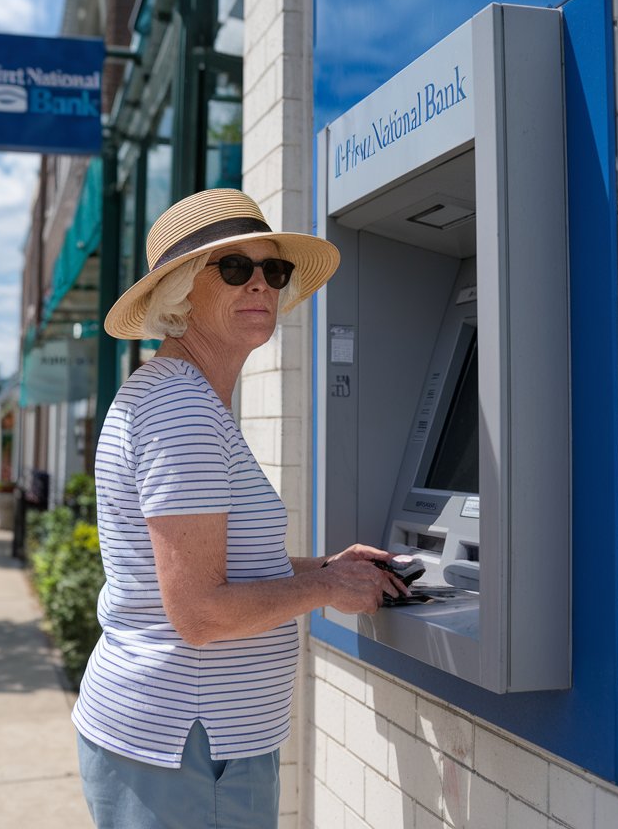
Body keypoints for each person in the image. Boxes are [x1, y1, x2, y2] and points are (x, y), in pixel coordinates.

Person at [73, 188, 409, 828]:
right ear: (178, 293)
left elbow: (216, 564)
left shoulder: (181, 396)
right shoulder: (182, 412)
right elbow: (200, 612)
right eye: (233, 268)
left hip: (184, 741)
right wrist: (325, 587)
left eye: (273, 270)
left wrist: (322, 566)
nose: (260, 284)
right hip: (188, 745)